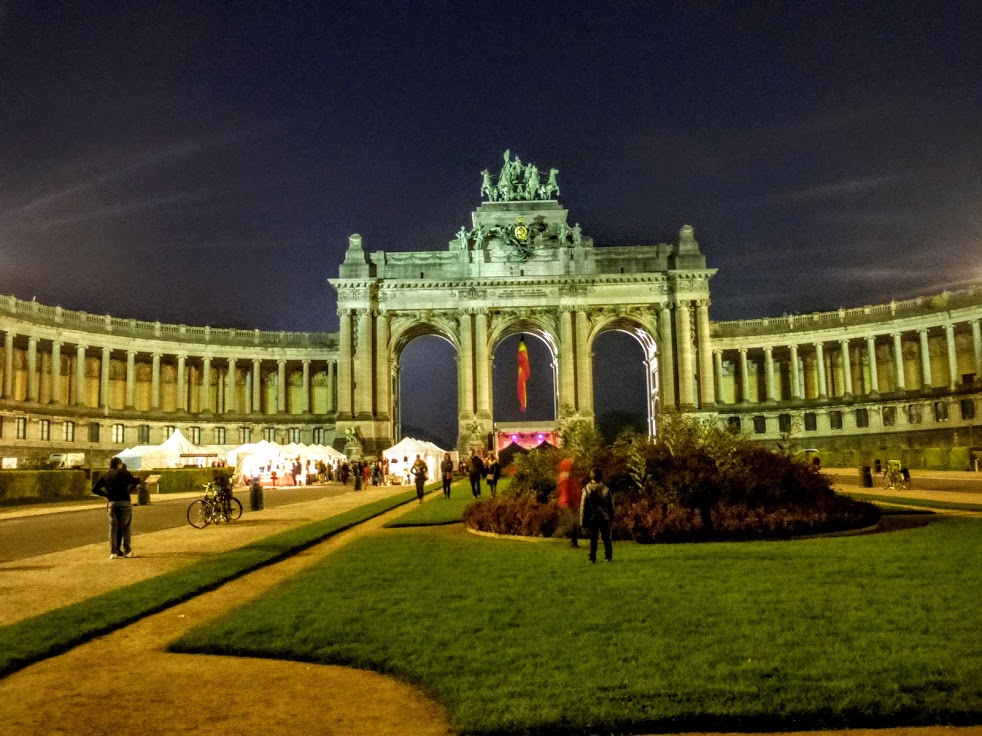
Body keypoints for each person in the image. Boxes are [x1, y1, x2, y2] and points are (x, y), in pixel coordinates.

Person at [92, 457, 140, 559]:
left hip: (112, 503)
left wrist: (106, 495)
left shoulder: (105, 475)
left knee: (113, 528)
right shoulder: (124, 472)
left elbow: (95, 489)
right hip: (125, 502)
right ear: (119, 464)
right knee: (126, 527)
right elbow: (134, 481)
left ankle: (113, 552)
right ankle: (127, 551)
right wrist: (135, 482)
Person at [580, 467, 614, 563]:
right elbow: (611, 505)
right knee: (606, 538)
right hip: (604, 517)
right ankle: (608, 556)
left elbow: (583, 507)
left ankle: (592, 557)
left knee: (593, 539)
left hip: (592, 518)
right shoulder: (606, 489)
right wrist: (611, 516)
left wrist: (582, 522)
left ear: (591, 476)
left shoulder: (586, 489)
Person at [556, 457, 581, 548]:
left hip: (569, 502)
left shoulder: (566, 477)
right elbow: (568, 491)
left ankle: (573, 541)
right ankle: (572, 541)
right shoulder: (566, 477)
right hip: (568, 502)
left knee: (573, 522)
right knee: (573, 522)